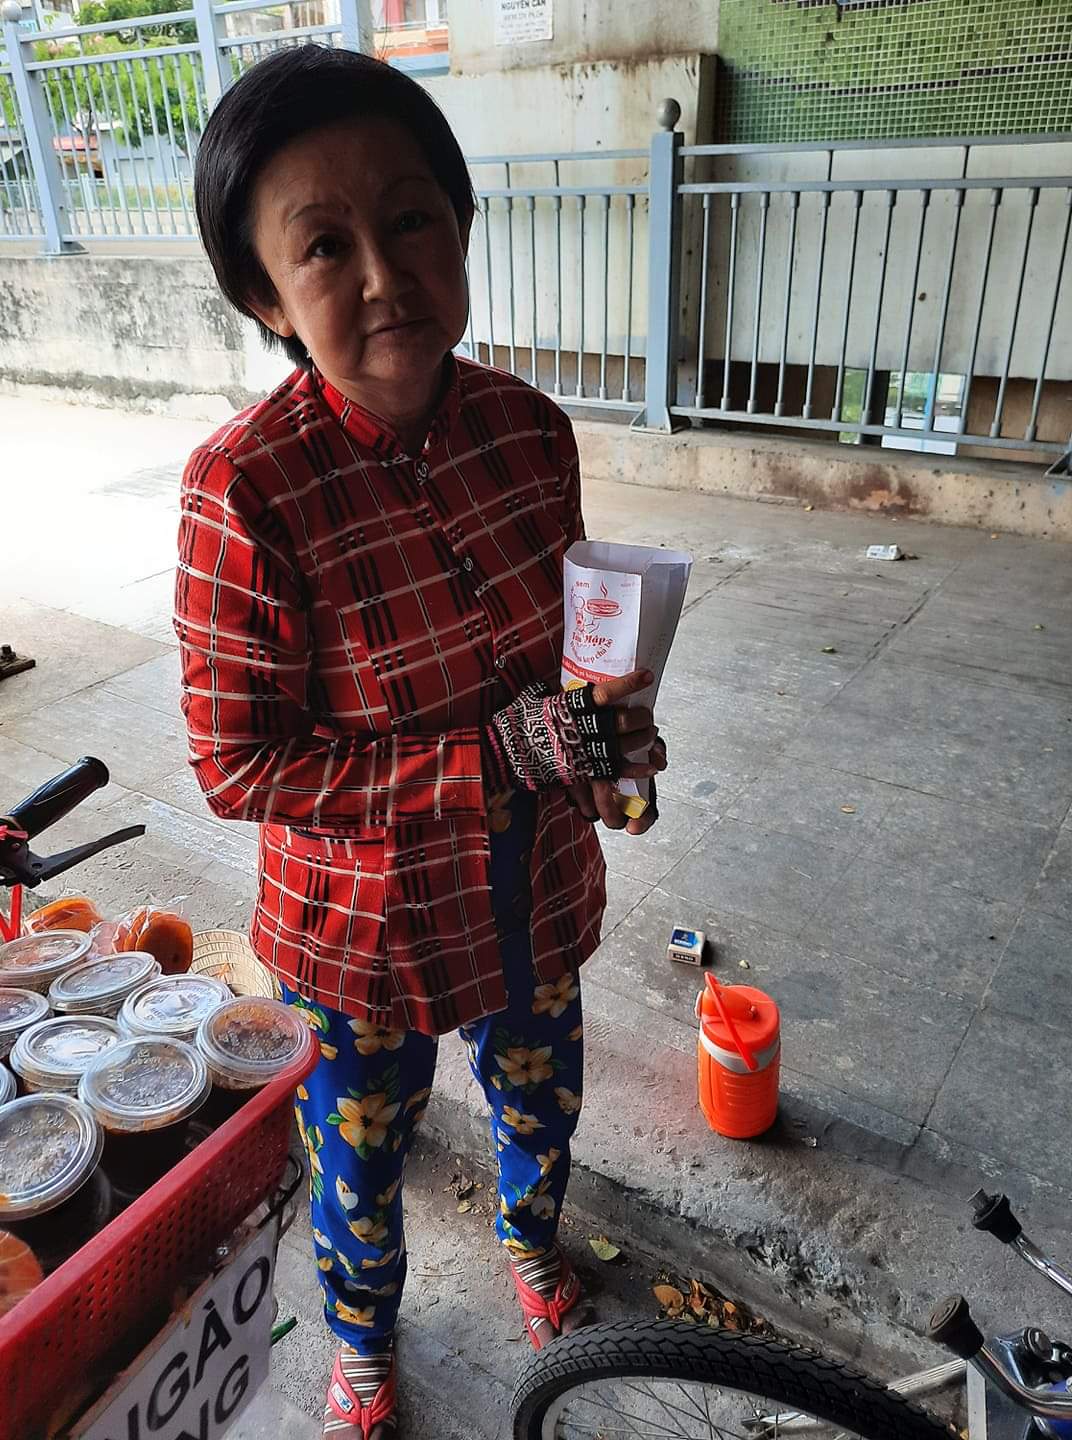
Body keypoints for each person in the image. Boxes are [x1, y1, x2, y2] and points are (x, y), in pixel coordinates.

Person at [175, 44, 667, 1439]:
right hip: (361, 939)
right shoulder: (244, 490)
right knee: (359, 1162)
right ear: (265, 294)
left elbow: (569, 660)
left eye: (411, 221)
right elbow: (238, 765)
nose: (385, 276)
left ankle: (530, 1241)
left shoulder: (531, 431)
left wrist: (609, 743)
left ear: (460, 227)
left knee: (541, 1107)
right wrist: (488, 760)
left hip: (531, 896)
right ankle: (363, 1340)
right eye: (325, 246)